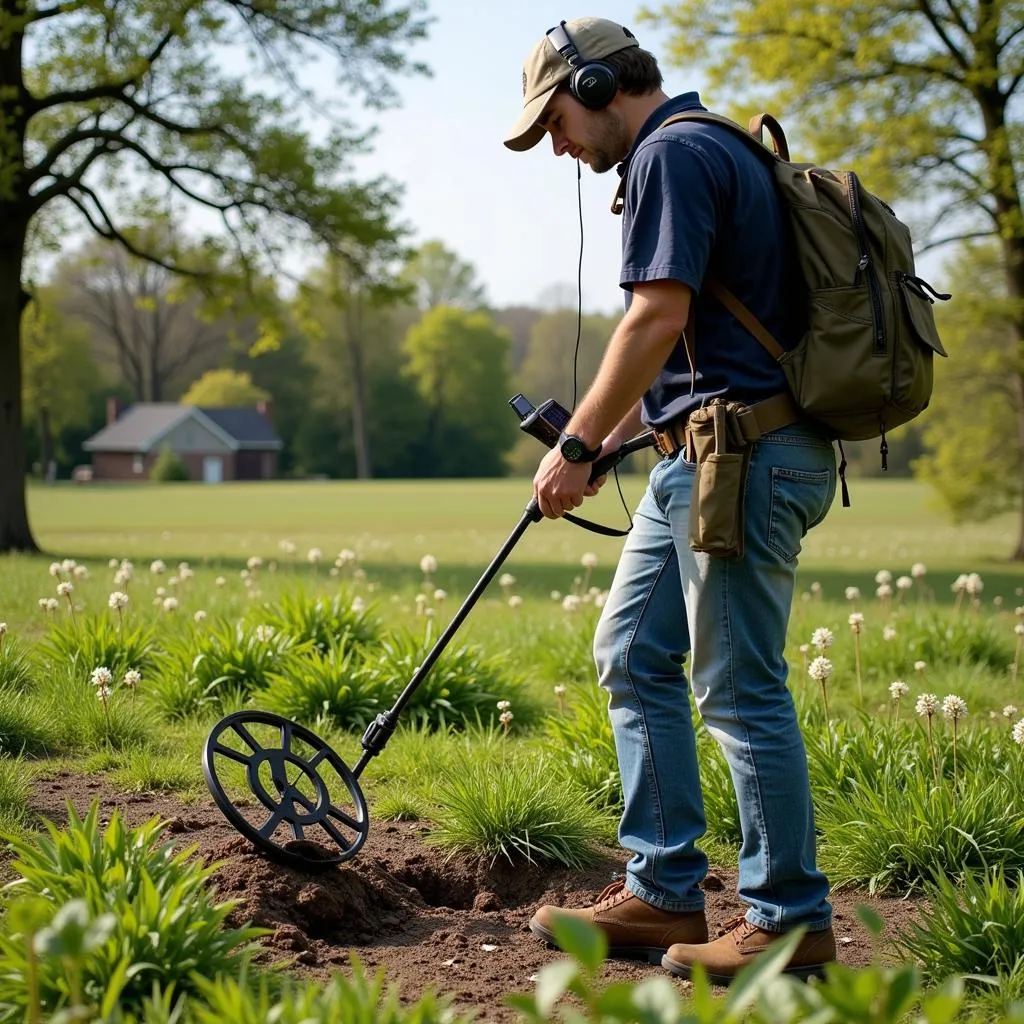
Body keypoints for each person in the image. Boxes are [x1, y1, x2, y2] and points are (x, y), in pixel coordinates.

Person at [503, 16, 838, 984]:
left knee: (736, 684)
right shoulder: (709, 148)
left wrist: (572, 445)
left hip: (745, 455)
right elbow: (705, 347)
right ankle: (662, 888)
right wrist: (612, 438)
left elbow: (658, 314)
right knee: (631, 651)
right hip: (702, 449)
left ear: (601, 85)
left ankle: (787, 917)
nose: (558, 146)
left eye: (556, 121)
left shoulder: (672, 157)